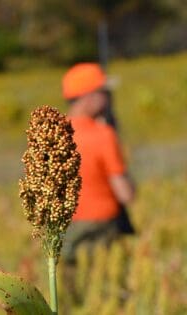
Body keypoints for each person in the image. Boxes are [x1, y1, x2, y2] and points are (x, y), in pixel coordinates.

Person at [61, 63, 135, 264]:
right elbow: (125, 194)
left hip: (64, 227)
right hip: (101, 230)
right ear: (89, 97)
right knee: (102, 289)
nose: (109, 99)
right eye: (104, 93)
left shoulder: (53, 134)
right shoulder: (103, 135)